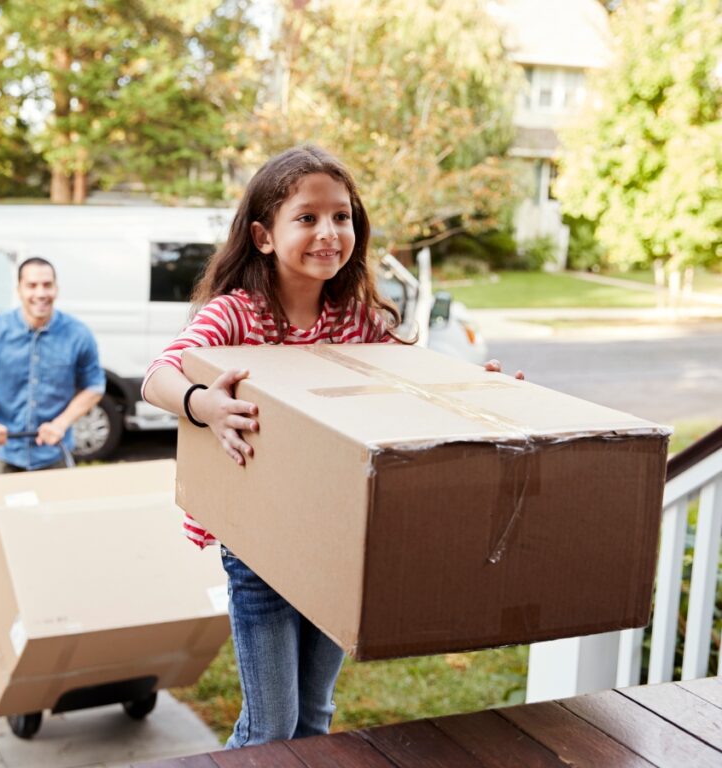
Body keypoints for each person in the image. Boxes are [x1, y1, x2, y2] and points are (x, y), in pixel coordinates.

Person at [143, 145, 522, 749]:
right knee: (270, 726)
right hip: (260, 544)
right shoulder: (236, 315)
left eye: (341, 217)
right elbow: (158, 375)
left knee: (315, 718)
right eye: (308, 217)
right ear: (264, 236)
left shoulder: (356, 320)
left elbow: (416, 383)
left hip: (334, 540)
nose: (329, 232)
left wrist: (483, 391)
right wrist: (203, 404)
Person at [0, 256, 106, 472]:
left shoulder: (79, 335)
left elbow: (95, 386)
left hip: (54, 451)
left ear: (56, 288)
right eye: (32, 286)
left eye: (47, 285)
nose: (40, 293)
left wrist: (61, 423)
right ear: (19, 289)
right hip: (3, 452)